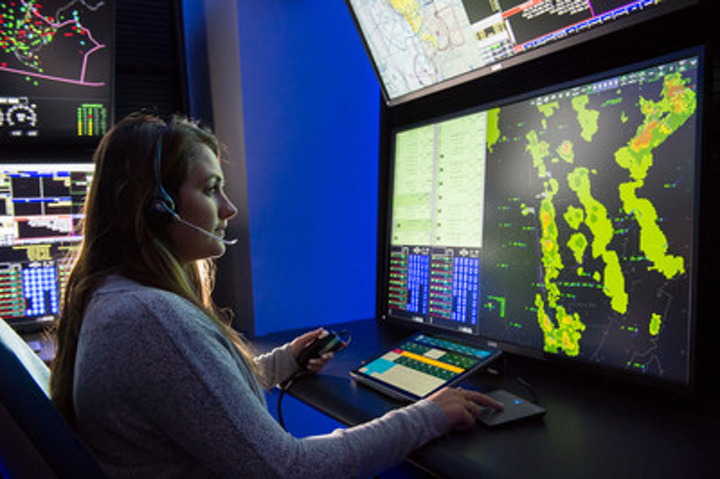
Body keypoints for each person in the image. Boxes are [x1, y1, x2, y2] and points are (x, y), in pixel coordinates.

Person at [50, 112, 503, 478]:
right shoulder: (152, 319)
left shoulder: (114, 299)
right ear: (156, 207)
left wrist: (282, 363)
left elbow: (197, 399)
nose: (229, 209)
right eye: (211, 190)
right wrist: (427, 416)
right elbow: (288, 469)